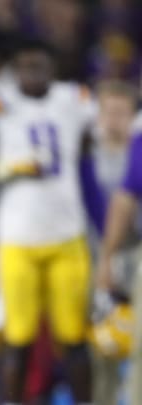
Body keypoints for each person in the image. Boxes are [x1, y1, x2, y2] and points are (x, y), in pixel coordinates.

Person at [0, 38, 96, 404]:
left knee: (74, 337)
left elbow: (88, 164)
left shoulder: (74, 100)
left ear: (52, 69)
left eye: (40, 66)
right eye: (25, 66)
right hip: (17, 241)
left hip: (68, 236)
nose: (33, 74)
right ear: (15, 69)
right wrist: (4, 170)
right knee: (17, 338)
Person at [86, 80, 139, 405]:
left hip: (135, 253)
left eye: (122, 113)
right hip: (93, 255)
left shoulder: (139, 151)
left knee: (136, 341)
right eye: (109, 112)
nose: (114, 120)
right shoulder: (85, 156)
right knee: (99, 342)